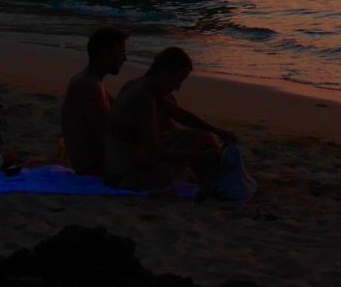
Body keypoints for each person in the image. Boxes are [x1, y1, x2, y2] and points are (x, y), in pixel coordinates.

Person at [104, 45, 227, 193]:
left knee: (202, 135)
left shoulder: (137, 85)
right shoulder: (143, 98)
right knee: (201, 139)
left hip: (123, 169)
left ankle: (214, 179)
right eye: (177, 80)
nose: (178, 88)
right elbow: (155, 152)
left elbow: (179, 114)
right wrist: (199, 156)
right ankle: (217, 182)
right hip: (128, 179)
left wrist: (218, 131)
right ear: (165, 73)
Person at [61, 26, 130, 176]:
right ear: (105, 53)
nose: (125, 59)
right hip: (93, 166)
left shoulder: (90, 80)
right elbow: (109, 133)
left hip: (90, 161)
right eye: (121, 53)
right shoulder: (90, 86)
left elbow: (117, 111)